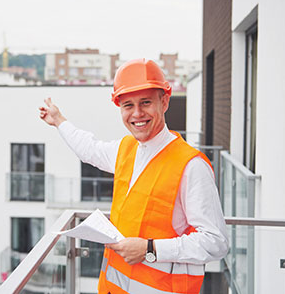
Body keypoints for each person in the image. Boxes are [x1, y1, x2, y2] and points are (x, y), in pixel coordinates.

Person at [39, 59, 228, 294]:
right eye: (128, 105)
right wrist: (59, 121)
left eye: (145, 102)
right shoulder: (126, 149)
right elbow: (89, 149)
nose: (137, 113)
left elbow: (215, 242)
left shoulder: (191, 165)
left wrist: (151, 248)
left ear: (165, 101)